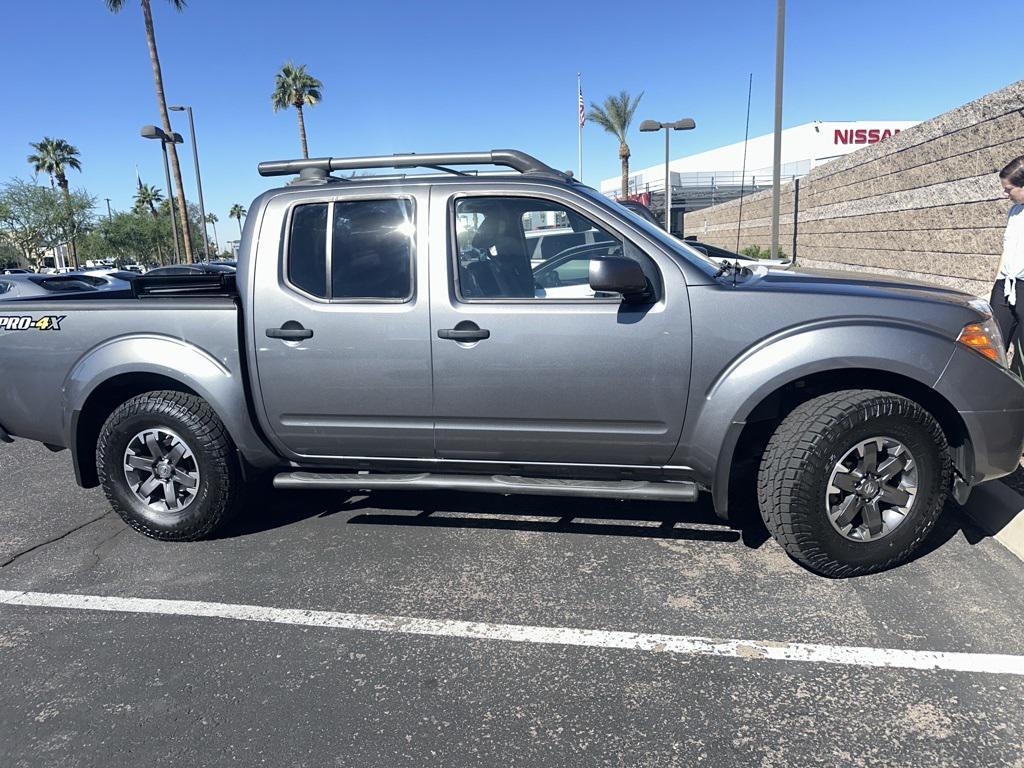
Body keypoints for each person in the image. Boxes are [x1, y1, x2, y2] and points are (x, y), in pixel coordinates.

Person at [991, 155, 1024, 372]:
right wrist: (996, 282)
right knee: (991, 344)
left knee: (1021, 355)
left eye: (1009, 189)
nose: (1006, 194)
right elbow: (1007, 249)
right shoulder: (1015, 211)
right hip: (1005, 285)